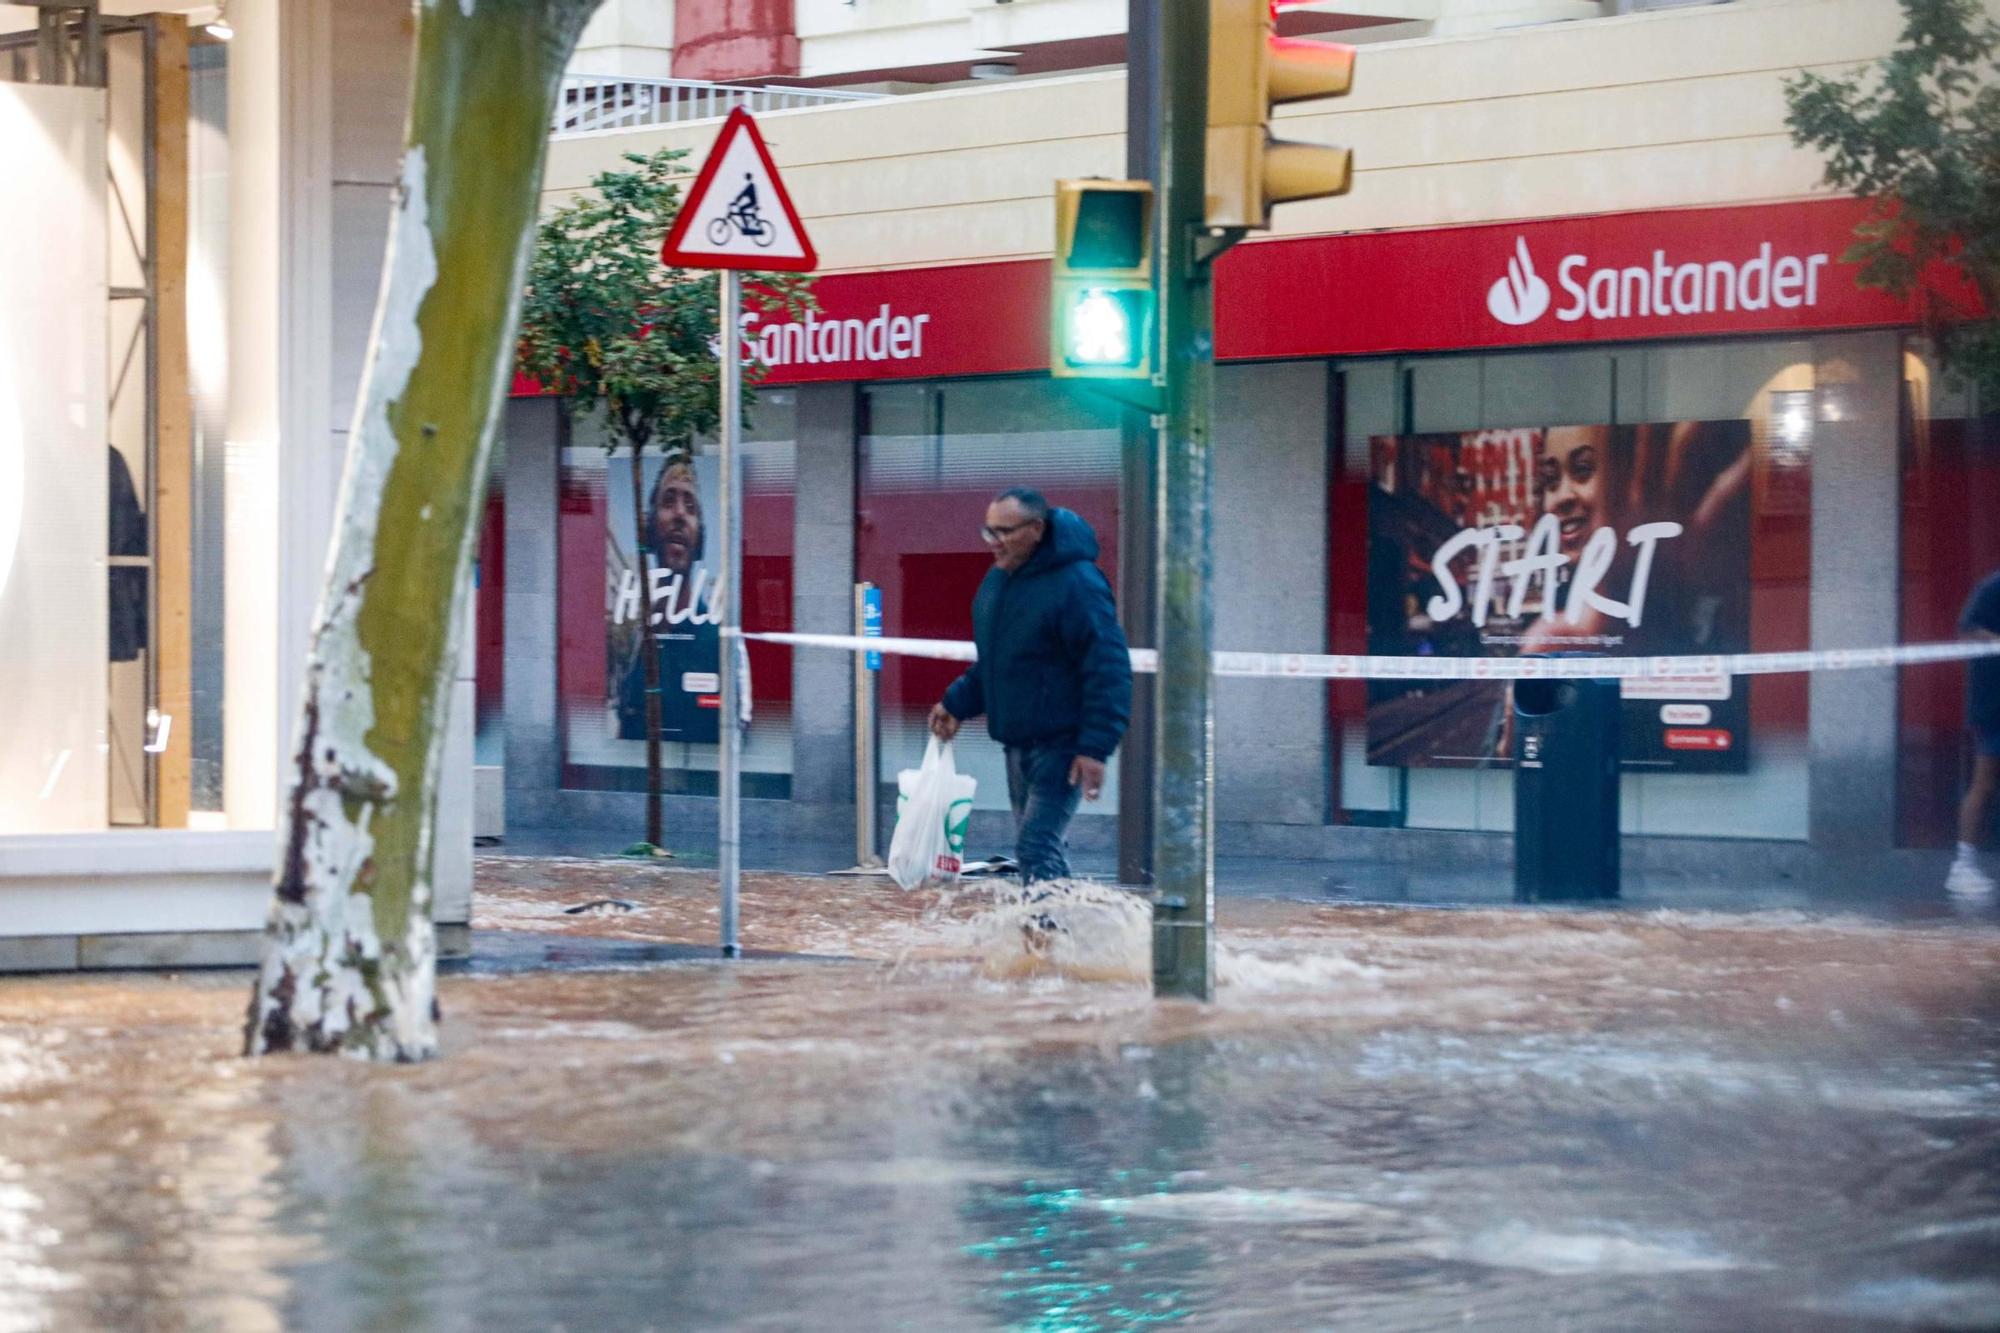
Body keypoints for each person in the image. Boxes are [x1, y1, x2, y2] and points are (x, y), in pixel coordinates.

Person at [929, 488, 1131, 883]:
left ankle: (1048, 934)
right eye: (989, 532)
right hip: (1019, 742)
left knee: (1035, 847)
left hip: (1063, 744)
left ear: (1036, 528)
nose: (994, 542)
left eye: (1005, 532)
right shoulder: (1000, 582)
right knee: (1039, 849)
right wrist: (956, 703)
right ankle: (1061, 931)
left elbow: (1107, 667)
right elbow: (1000, 663)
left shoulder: (1078, 583)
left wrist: (1094, 747)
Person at [616, 452, 721, 744]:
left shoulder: (716, 643)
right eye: (668, 501)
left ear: (701, 539)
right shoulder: (637, 641)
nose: (679, 514)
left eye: (691, 506)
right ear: (649, 529)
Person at [1947, 567, 2000, 904]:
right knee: (1985, 782)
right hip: (1992, 705)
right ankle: (1963, 866)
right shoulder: (1993, 588)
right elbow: (1966, 631)